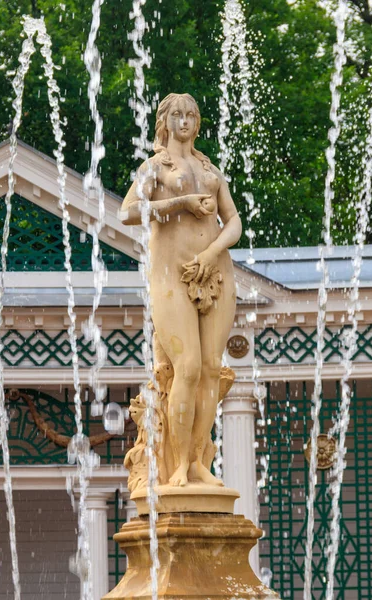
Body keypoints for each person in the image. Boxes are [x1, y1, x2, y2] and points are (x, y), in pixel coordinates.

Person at [121, 93, 242, 487]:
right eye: (177, 115)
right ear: (165, 121)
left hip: (215, 271)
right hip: (170, 274)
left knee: (210, 368)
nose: (185, 121)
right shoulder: (155, 166)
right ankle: (175, 466)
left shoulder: (210, 168)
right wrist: (181, 202)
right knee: (187, 366)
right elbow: (128, 212)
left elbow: (234, 222)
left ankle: (195, 463)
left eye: (191, 115)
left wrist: (212, 252)